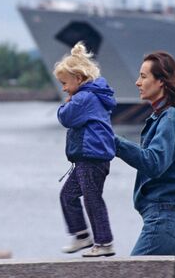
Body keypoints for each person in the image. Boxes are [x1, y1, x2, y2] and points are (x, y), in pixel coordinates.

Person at [115, 51, 175, 256]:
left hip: (167, 218)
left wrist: (113, 143)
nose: (137, 82)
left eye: (143, 77)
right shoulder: (172, 115)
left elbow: (154, 163)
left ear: (162, 81)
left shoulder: (171, 117)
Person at [54, 42, 117, 258]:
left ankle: (104, 241)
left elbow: (65, 117)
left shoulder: (84, 97)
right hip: (87, 158)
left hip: (92, 158)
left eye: (64, 83)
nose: (63, 89)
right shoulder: (91, 96)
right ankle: (82, 236)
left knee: (92, 198)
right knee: (68, 195)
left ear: (78, 79)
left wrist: (67, 103)